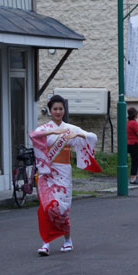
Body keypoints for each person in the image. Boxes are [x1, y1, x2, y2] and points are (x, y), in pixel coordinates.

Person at [30, 95, 101, 256]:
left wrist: (78, 136)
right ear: (50, 110)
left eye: (61, 109)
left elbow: (92, 137)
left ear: (64, 110)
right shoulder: (45, 129)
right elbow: (34, 136)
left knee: (62, 209)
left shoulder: (71, 128)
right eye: (55, 109)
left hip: (63, 173)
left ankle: (67, 240)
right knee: (47, 208)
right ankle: (46, 243)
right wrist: (53, 131)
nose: (58, 112)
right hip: (47, 175)